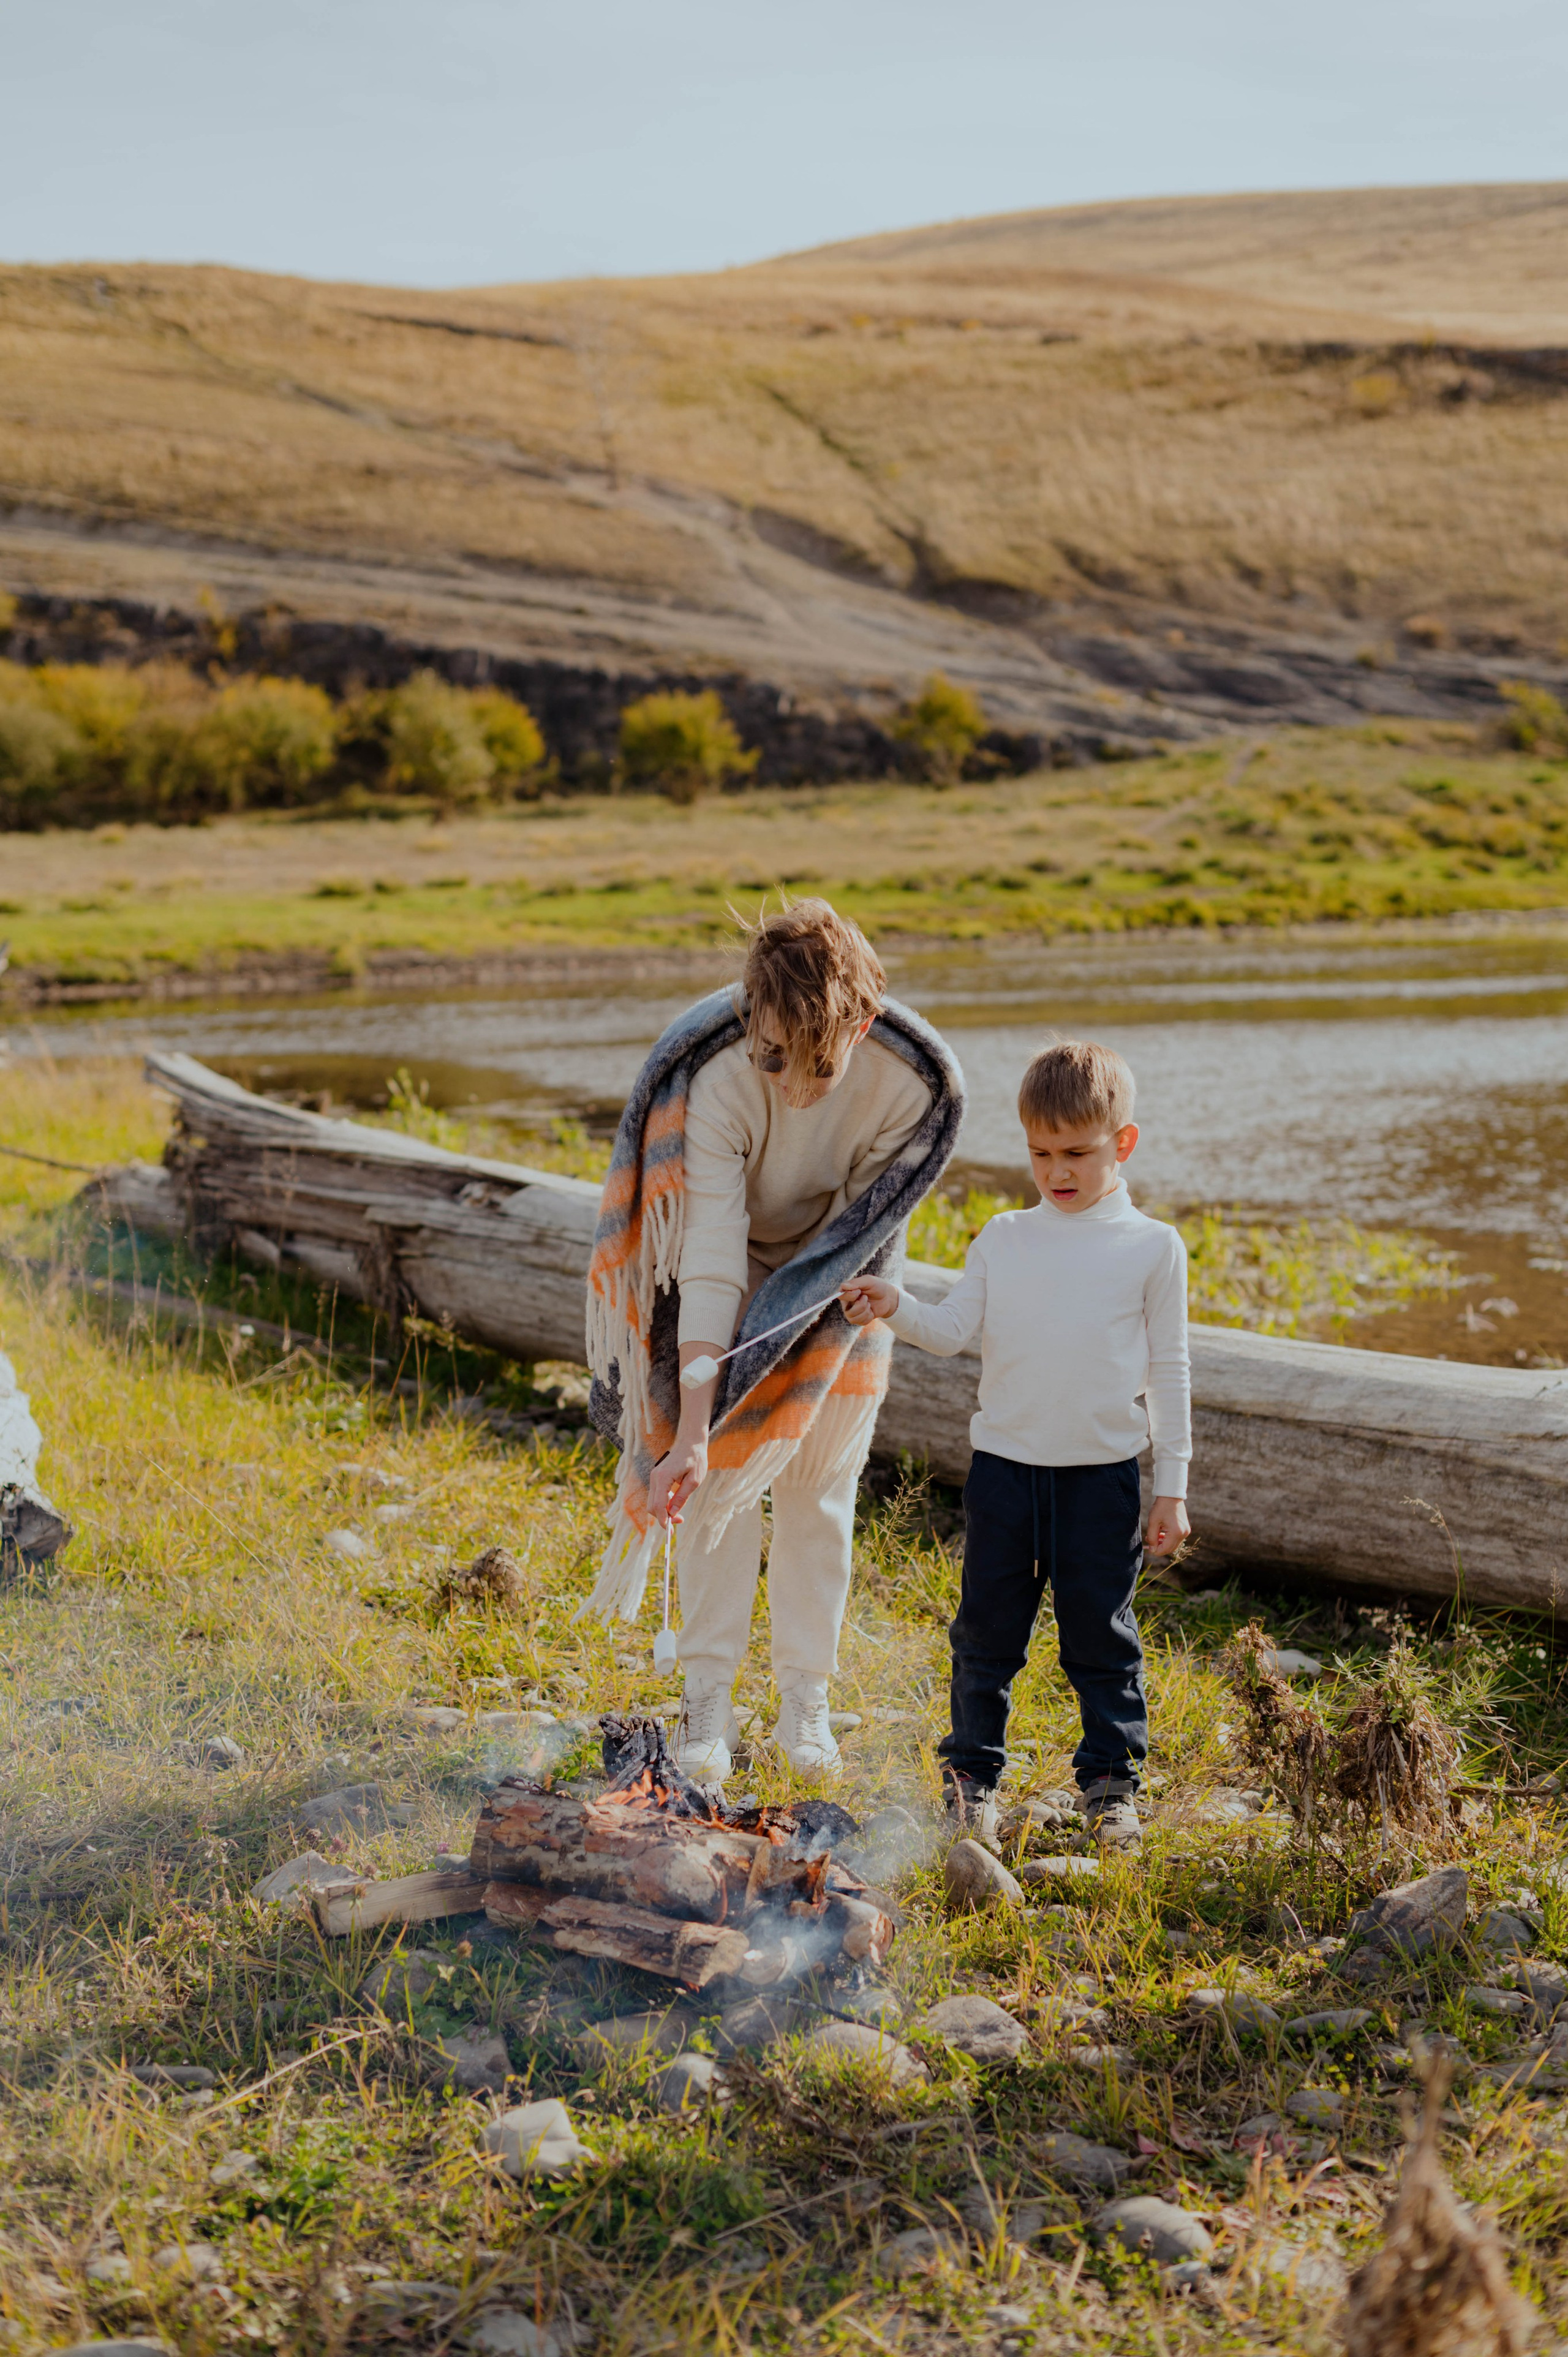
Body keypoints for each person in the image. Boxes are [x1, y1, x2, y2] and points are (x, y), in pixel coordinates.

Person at [580, 898, 965, 1786]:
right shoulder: (717, 1079)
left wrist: (824, 1304)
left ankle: (805, 1703)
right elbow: (711, 1257)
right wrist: (692, 1433)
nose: (791, 1085)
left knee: (818, 1492)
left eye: (818, 1061)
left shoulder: (912, 1092)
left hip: (842, 1271)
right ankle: (707, 1700)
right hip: (733, 1257)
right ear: (751, 1018)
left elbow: (859, 1228)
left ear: (862, 1025)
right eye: (772, 1054)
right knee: (712, 1485)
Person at [840, 1039, 1190, 1848]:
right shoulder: (1004, 1235)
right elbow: (955, 1330)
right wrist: (895, 1301)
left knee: (1100, 1636)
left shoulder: (1152, 1247)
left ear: (1123, 1144)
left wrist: (1171, 1481)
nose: (1057, 1171)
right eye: (1041, 1153)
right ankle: (971, 1777)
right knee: (985, 1633)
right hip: (1004, 1473)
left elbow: (1170, 1369)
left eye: (1076, 1153)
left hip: (1101, 1478)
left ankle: (1110, 1785)